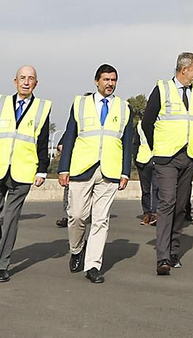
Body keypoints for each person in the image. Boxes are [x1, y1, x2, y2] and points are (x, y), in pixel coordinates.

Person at [0, 65, 52, 283]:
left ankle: (2, 264)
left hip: (23, 171)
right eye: (22, 78)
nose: (26, 82)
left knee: (10, 218)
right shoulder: (1, 104)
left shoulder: (42, 108)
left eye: (30, 78)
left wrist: (42, 169)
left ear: (36, 83)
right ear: (15, 81)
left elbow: (43, 142)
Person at [56, 63, 135, 284]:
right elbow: (69, 136)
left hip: (110, 171)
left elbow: (128, 142)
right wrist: (63, 168)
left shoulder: (124, 107)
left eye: (113, 80)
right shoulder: (80, 104)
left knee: (101, 220)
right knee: (77, 216)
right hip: (81, 168)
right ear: (96, 81)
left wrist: (125, 172)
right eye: (106, 79)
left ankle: (93, 265)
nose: (110, 84)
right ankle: (76, 249)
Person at [140, 52, 193, 275]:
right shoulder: (162, 89)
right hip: (166, 158)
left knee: (180, 206)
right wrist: (157, 147)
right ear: (184, 69)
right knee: (167, 203)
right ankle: (163, 257)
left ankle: (174, 250)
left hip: (189, 156)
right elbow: (147, 123)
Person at [135, 120, 157, 226]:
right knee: (145, 190)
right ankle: (147, 213)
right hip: (143, 160)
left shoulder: (161, 121)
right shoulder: (139, 124)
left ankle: (155, 213)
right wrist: (135, 159)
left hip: (156, 158)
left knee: (157, 188)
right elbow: (136, 143)